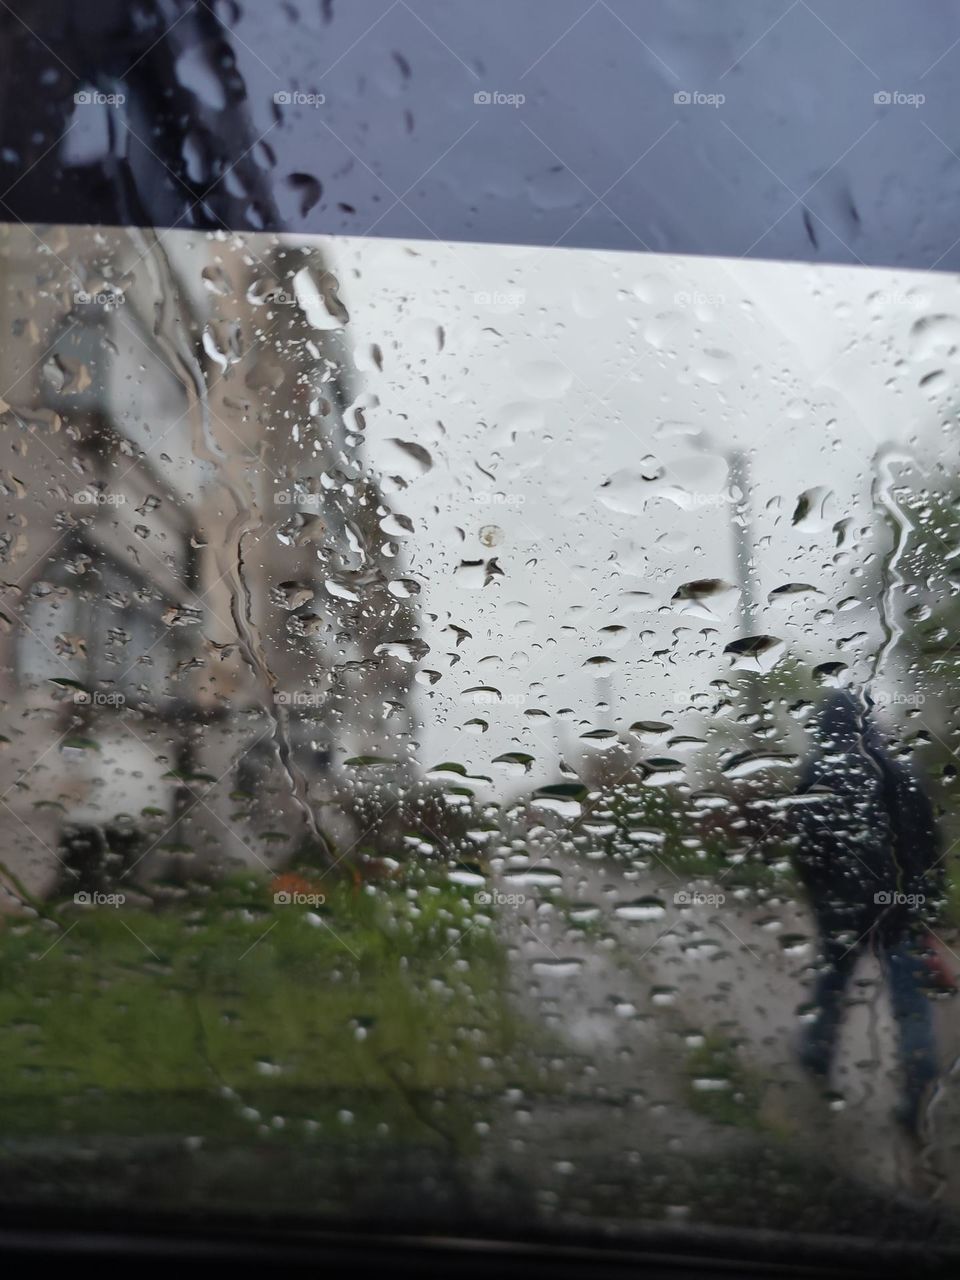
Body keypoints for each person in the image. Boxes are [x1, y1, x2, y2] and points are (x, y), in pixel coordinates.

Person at [792, 689, 944, 1134]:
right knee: (909, 1002)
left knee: (833, 983)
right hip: (900, 906)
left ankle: (817, 1055)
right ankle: (919, 1083)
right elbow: (927, 847)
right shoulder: (902, 770)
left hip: (842, 908)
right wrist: (926, 909)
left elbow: (807, 851)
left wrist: (821, 903)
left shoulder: (818, 772)